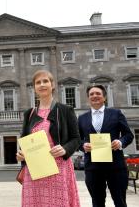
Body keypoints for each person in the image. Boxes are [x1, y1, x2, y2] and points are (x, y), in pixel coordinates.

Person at [16, 70, 81, 207]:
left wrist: (64, 149)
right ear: (34, 88)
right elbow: (24, 140)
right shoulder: (29, 113)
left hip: (58, 168)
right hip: (35, 170)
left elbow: (76, 139)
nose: (42, 84)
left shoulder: (65, 110)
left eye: (45, 81)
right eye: (38, 82)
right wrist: (21, 154)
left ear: (52, 85)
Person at [78, 84, 134, 207]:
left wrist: (120, 142)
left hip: (116, 166)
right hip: (93, 168)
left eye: (98, 93)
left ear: (104, 97)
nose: (94, 96)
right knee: (97, 203)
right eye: (91, 94)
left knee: (120, 202)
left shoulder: (116, 113)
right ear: (88, 98)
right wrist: (83, 145)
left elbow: (128, 135)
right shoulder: (82, 118)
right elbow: (77, 140)